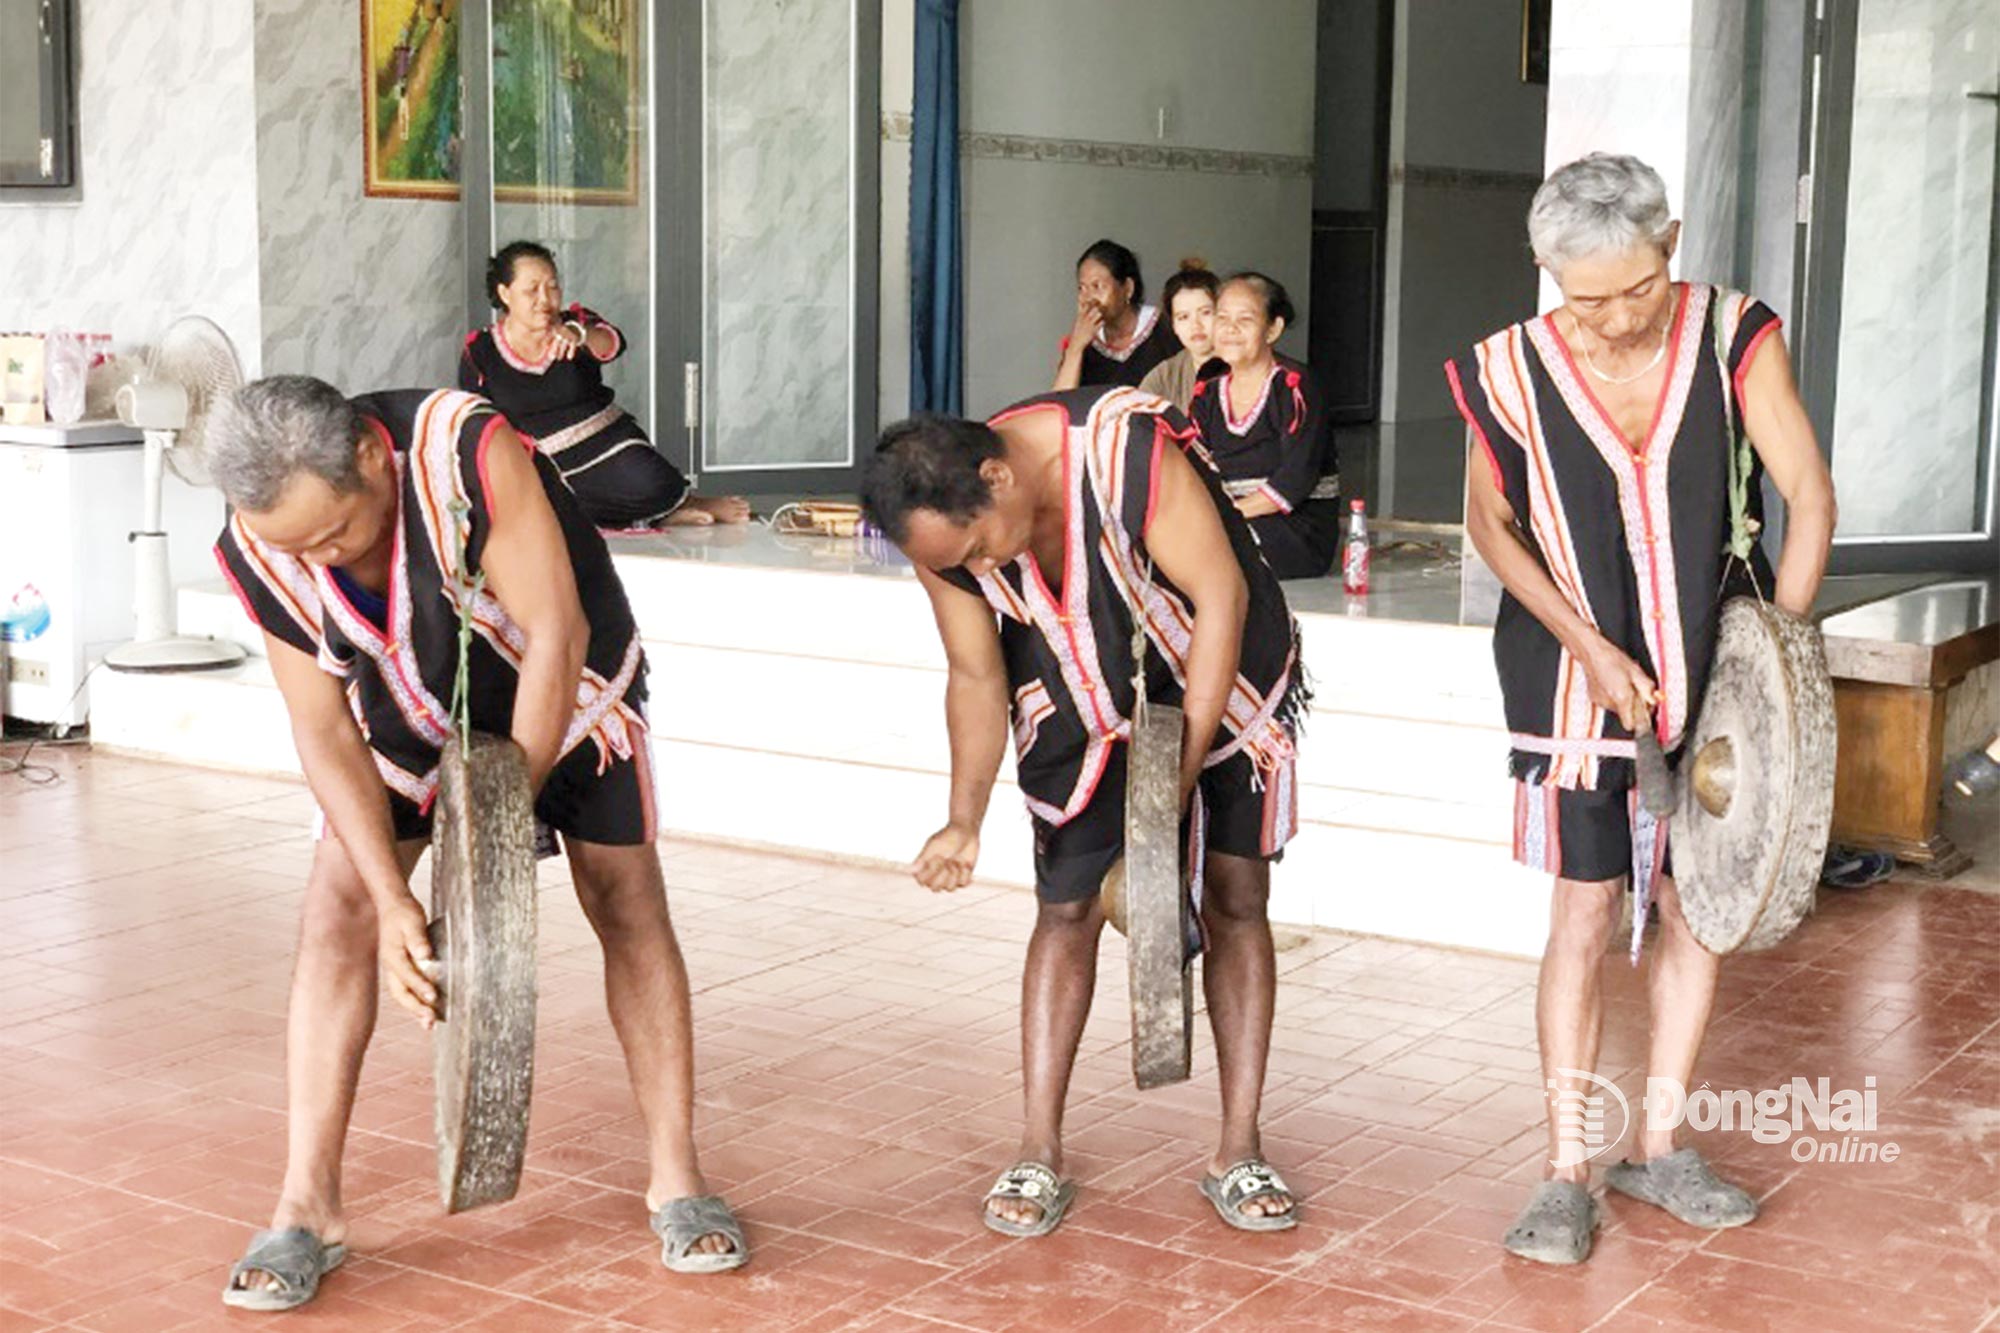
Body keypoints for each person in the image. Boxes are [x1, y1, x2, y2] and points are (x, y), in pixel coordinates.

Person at [207, 378, 747, 1310]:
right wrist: (394, 902)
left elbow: (556, 633)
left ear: (369, 456)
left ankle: (678, 1176)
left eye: (334, 534)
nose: (320, 558)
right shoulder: (264, 538)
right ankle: (307, 1205)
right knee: (338, 910)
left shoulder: (462, 451)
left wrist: (487, 843)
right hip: (408, 710)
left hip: (568, 691)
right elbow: (322, 728)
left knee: (625, 896)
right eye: (298, 548)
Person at [1444, 153, 1836, 1265]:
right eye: (1588, 300)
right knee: (1584, 908)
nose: (1617, 317)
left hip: (1714, 669)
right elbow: (1490, 528)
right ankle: (1567, 1167)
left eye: (1638, 287)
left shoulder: (1731, 335)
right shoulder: (1506, 369)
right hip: (1569, 673)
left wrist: (1769, 675)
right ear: (1546, 274)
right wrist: (1591, 648)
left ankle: (1658, 1145)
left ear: (1670, 245)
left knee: (1692, 904)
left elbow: (1807, 494)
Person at [859, 386, 1310, 1239]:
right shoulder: (942, 540)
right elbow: (976, 672)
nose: (979, 569)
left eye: (981, 548)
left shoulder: (1124, 454)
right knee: (1064, 909)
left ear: (997, 476)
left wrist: (1168, 790)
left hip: (1223, 672)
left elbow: (1221, 597)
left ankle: (1239, 1146)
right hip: (1075, 686)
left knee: (1236, 897)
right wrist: (962, 818)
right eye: (962, 564)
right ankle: (1038, 1146)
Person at [460, 241, 749, 531]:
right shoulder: (481, 349)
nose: (545, 299)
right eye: (531, 290)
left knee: (652, 482)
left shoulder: (575, 324)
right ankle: (656, 514)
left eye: (553, 287)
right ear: (504, 293)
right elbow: (475, 420)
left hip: (606, 446)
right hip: (542, 462)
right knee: (542, 502)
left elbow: (613, 343)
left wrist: (579, 334)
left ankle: (676, 504)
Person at [1187, 273, 1341, 579]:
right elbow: (1195, 467)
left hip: (1294, 530)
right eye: (1222, 318)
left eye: (1245, 319)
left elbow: (1296, 479)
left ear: (1273, 329)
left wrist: (1224, 516)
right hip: (1230, 519)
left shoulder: (1295, 386)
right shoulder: (1207, 392)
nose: (1230, 329)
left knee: (1202, 551)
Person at [1052, 239, 1182, 391]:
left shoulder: (1167, 329)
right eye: (1081, 288)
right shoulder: (1083, 342)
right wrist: (1076, 347)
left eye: (1097, 286)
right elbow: (1061, 400)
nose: (1088, 298)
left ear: (1128, 288)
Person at [1137, 259, 1226, 413]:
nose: (1195, 325)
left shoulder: (1247, 365)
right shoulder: (1163, 377)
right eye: (1183, 317)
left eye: (1205, 312)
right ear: (1174, 326)